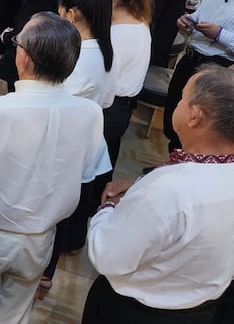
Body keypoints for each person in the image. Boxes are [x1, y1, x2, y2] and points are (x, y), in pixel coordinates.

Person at [0, 12, 111, 324]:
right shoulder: (90, 113)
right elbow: (86, 175)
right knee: (17, 312)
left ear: (24, 58)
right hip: (41, 237)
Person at [84, 66, 234, 324]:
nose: (177, 104)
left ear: (195, 116)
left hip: (138, 312)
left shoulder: (167, 190)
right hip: (203, 310)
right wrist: (139, 186)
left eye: (182, 99)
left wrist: (108, 209)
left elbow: (108, 257)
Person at [37, 0, 116, 300]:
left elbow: (53, 103)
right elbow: (108, 100)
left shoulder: (78, 57)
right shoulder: (106, 49)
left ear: (70, 14)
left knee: (54, 214)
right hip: (89, 140)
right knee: (68, 212)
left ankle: (42, 273)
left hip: (64, 144)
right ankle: (47, 273)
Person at [164, 0, 234, 151]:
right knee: (174, 116)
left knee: (199, 126)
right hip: (192, 57)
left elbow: (218, 31)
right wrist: (189, 20)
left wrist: (219, 34)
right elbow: (202, 13)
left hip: (219, 68)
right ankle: (173, 159)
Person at [93, 0, 152, 171]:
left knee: (96, 167)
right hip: (117, 107)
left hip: (110, 108)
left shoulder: (122, 34)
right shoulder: (136, 19)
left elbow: (101, 78)